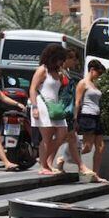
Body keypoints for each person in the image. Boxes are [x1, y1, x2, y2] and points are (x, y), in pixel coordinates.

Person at [54, 50, 99, 179]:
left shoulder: (66, 73)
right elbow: (66, 95)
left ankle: (60, 161)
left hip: (67, 111)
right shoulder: (60, 73)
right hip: (63, 111)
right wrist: (75, 116)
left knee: (70, 139)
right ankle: (47, 159)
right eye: (74, 60)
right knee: (65, 139)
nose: (76, 63)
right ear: (66, 59)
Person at [29, 44, 69, 175]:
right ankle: (44, 166)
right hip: (42, 104)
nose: (62, 62)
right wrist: (34, 107)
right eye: (60, 59)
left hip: (55, 106)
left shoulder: (58, 72)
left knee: (62, 133)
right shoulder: (42, 70)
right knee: (46, 137)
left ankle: (46, 160)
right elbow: (33, 88)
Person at [74, 60, 108, 183]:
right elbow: (77, 101)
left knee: (101, 147)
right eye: (98, 73)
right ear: (92, 69)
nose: (99, 76)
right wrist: (75, 118)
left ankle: (95, 175)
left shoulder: (94, 84)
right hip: (87, 116)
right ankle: (64, 157)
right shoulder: (83, 83)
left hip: (96, 117)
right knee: (87, 147)